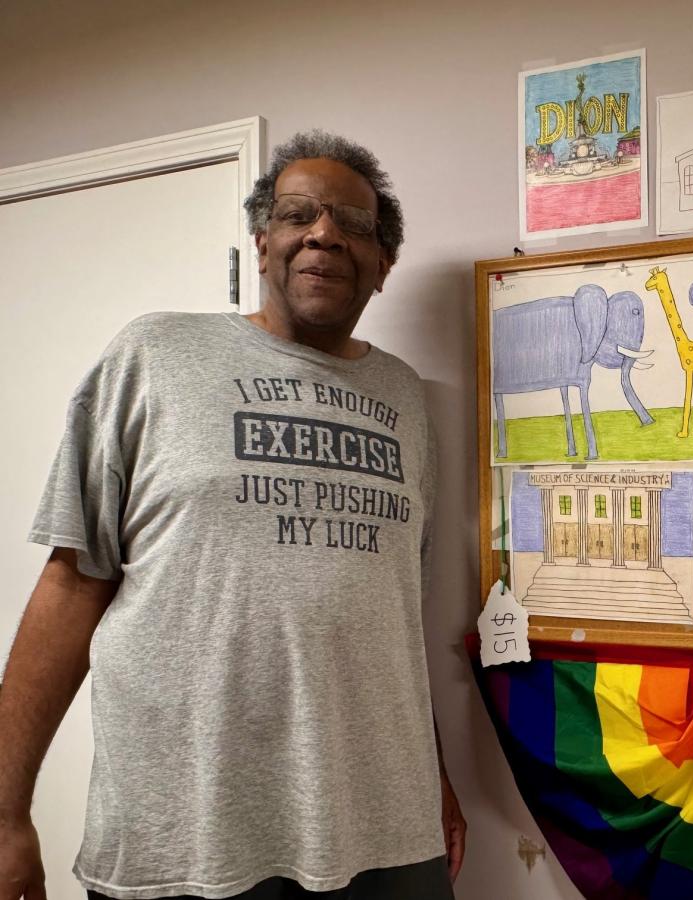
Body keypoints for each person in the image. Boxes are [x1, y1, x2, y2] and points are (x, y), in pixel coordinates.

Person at [0, 130, 465, 900]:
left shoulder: (405, 398)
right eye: (298, 214)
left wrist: (434, 776)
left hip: (387, 829)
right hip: (189, 831)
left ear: (383, 264)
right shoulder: (153, 355)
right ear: (262, 242)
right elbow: (72, 583)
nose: (323, 233)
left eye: (353, 224)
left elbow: (394, 616)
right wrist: (5, 810)